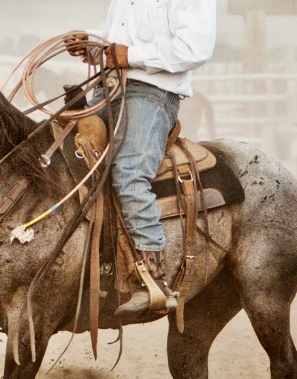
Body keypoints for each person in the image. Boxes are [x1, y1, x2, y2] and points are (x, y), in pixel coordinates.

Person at [67, 0, 217, 319]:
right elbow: (113, 39)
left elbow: (193, 48)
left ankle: (152, 278)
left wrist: (129, 56)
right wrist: (91, 43)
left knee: (130, 174)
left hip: (153, 94)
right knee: (64, 158)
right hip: (107, 90)